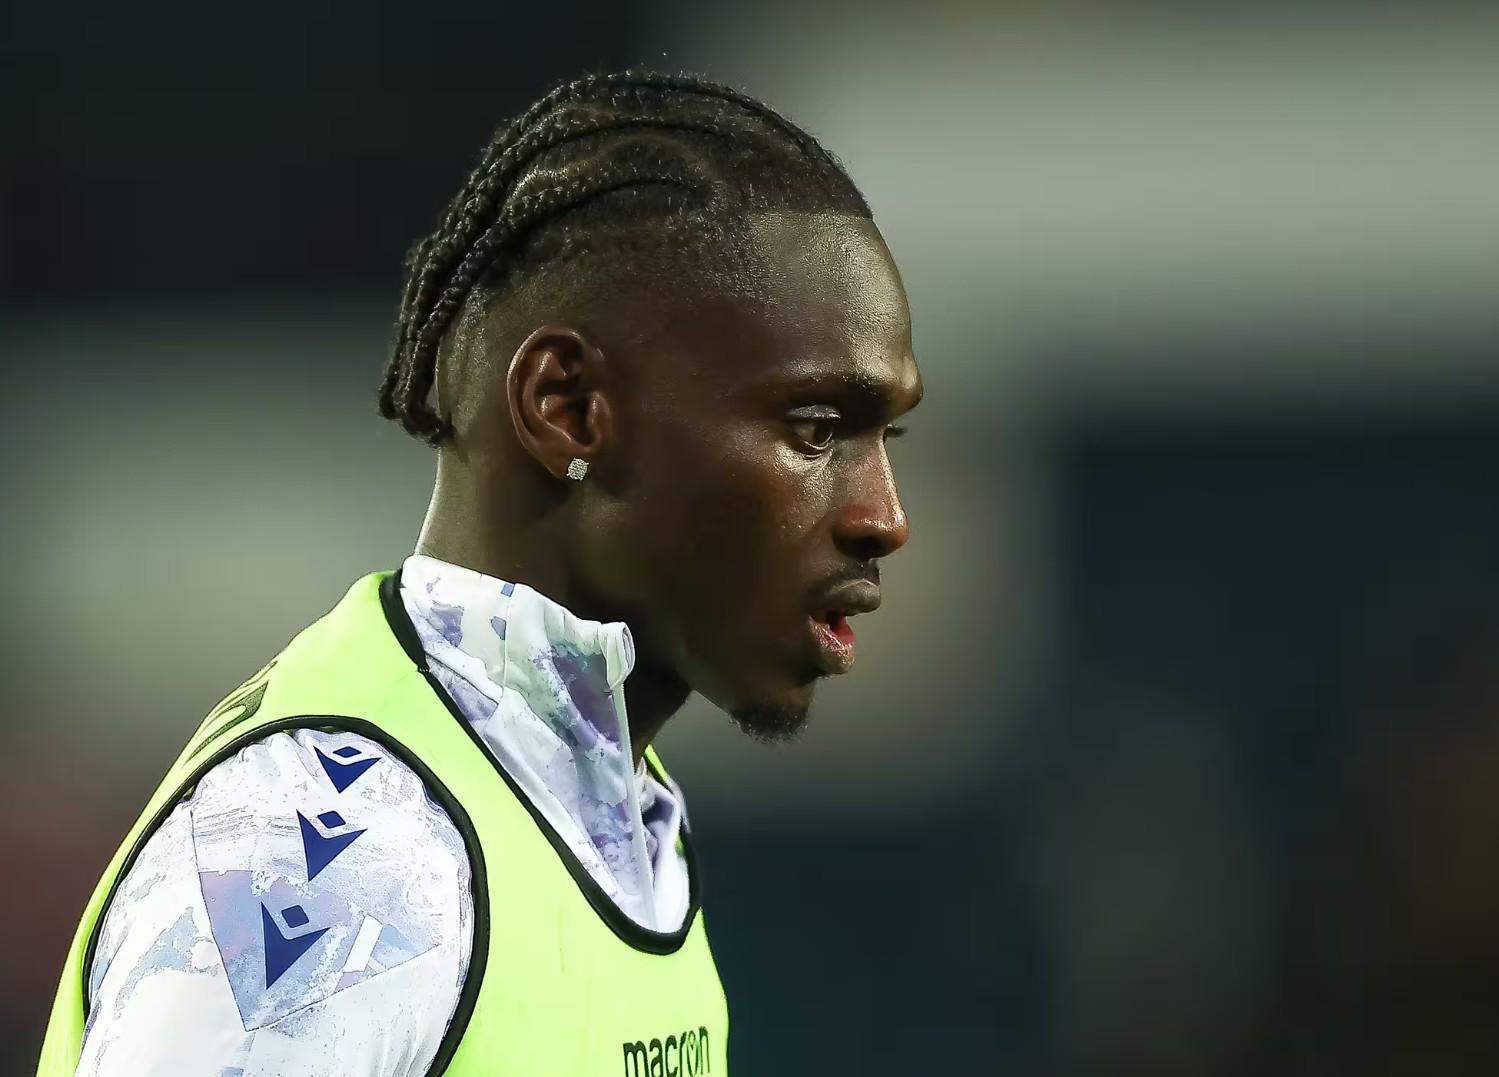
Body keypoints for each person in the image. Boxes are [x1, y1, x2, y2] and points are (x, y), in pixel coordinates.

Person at [37, 68, 922, 1076]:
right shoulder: (334, 861)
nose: (883, 517)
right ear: (567, 408)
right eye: (816, 429)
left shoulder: (615, 819)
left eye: (884, 438)